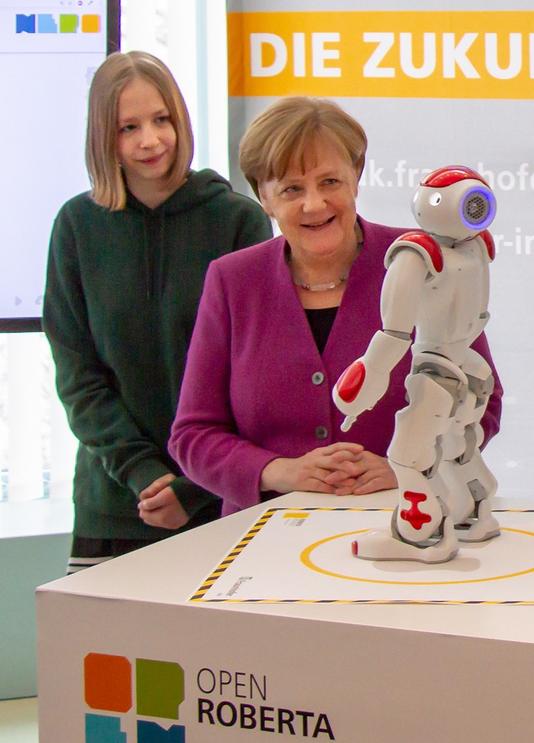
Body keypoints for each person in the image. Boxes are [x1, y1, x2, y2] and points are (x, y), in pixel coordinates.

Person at [168, 96, 502, 517]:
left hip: (405, 524)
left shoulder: (425, 261)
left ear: (356, 179)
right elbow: (193, 434)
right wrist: (279, 471)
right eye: (292, 189)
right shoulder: (232, 281)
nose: (314, 204)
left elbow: (481, 399)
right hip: (263, 541)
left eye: (330, 182)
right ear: (264, 198)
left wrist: (409, 467)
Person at [43, 51, 272, 572]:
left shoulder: (238, 221)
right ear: (104, 137)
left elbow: (253, 376)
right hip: (116, 507)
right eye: (129, 127)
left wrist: (193, 487)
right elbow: (78, 375)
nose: (150, 140)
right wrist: (143, 473)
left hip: (221, 504)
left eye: (161, 119)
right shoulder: (77, 226)